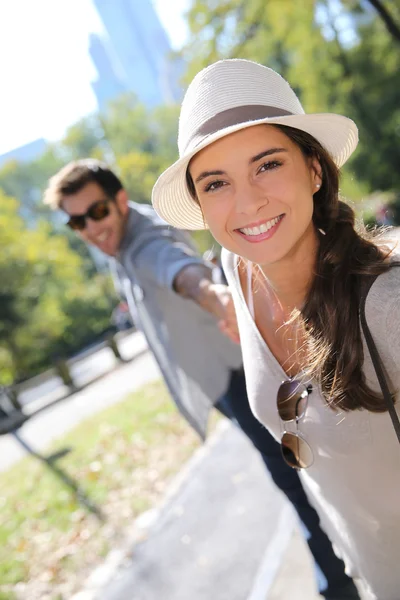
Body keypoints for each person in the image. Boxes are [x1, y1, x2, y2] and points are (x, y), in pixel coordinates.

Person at [44, 160, 359, 599]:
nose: (91, 228)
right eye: (77, 221)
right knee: (295, 469)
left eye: (96, 212)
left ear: (119, 201)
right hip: (223, 380)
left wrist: (214, 296)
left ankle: (339, 580)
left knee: (293, 473)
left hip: (238, 374)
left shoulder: (144, 240)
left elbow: (181, 272)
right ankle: (341, 566)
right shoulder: (119, 246)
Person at [152, 58, 400, 600]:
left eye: (266, 164)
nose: (247, 202)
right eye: (215, 182)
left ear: (315, 168)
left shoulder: (389, 306)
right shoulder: (237, 268)